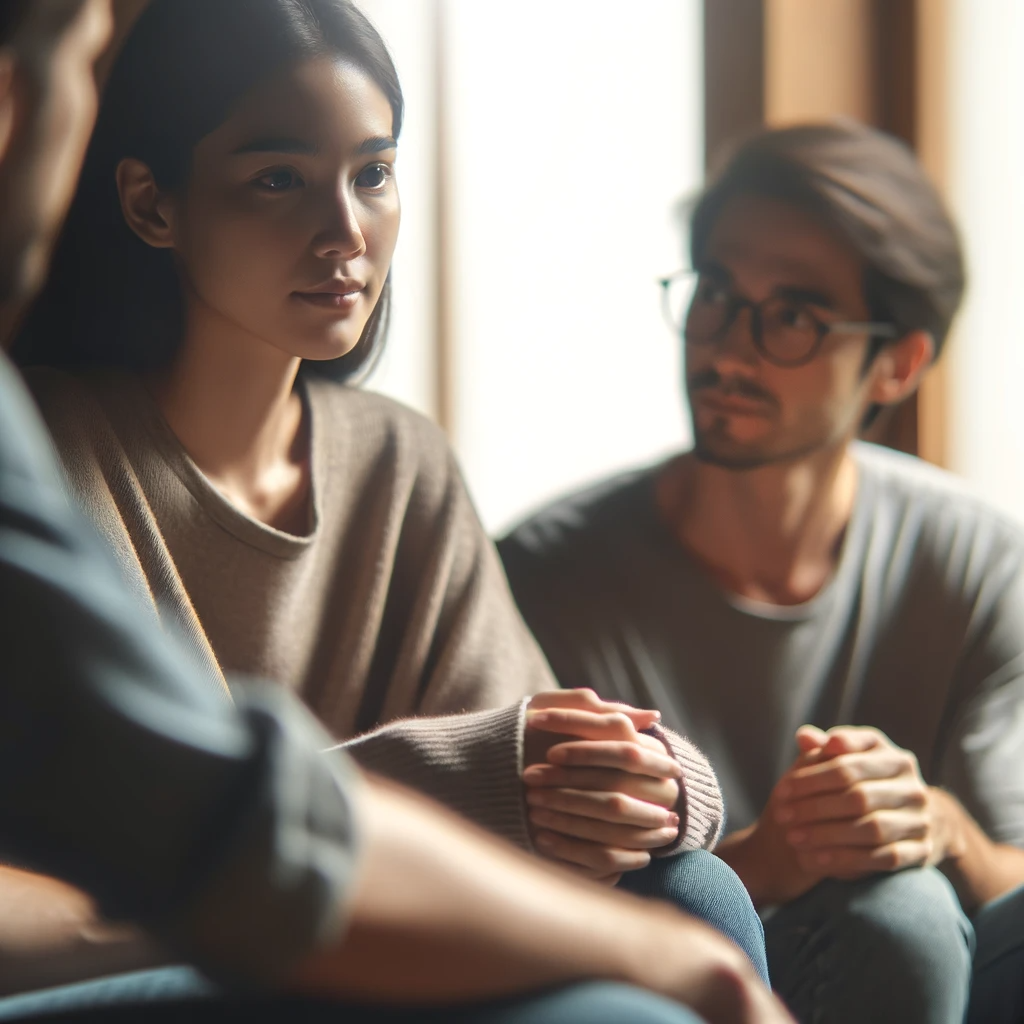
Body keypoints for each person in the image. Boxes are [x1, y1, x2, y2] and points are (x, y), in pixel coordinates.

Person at [0, 2, 798, 1022]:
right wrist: (446, 789)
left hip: (312, 912)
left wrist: (648, 783)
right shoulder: (46, 453)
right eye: (278, 179)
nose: (344, 233)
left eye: (372, 173)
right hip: (129, 960)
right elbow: (226, 827)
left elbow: (533, 761)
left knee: (687, 888)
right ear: (153, 205)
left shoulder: (396, 458)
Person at [499, 120, 1024, 1024]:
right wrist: (768, 859)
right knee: (904, 916)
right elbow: (509, 913)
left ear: (897, 365)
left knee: (913, 898)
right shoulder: (546, 575)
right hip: (651, 990)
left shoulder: (972, 561)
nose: (729, 349)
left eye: (794, 316)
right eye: (716, 293)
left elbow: (1010, 870)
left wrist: (938, 827)